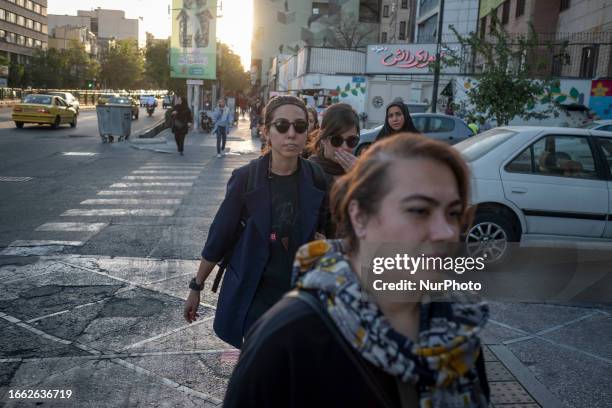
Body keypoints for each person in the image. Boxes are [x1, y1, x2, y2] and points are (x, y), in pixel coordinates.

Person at [223, 133, 490, 408]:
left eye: (454, 214)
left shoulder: (458, 327)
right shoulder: (288, 337)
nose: (446, 232)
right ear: (360, 216)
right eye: (420, 211)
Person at [183, 95, 328, 349]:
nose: (291, 134)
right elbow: (220, 236)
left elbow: (327, 228)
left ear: (308, 132)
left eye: (300, 126)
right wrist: (196, 287)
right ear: (266, 131)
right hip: (254, 296)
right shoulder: (246, 178)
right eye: (282, 126)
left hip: (300, 297)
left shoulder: (315, 177)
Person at [307, 103, 360, 237]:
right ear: (323, 138)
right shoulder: (309, 171)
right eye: (336, 140)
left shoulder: (361, 170)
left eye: (351, 141)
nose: (344, 147)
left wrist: (362, 178)